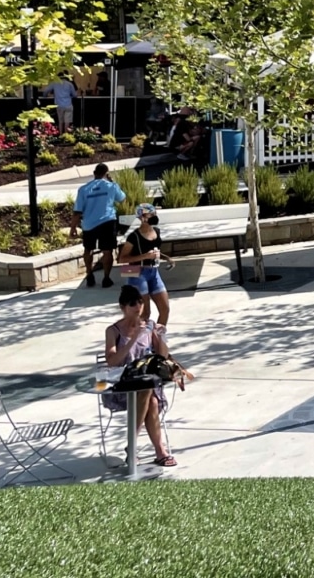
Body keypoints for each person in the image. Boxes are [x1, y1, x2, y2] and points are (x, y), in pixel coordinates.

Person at [103, 285, 183, 467]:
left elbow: (162, 356)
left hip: (147, 382)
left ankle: (138, 447)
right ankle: (157, 450)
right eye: (133, 304)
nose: (138, 307)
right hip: (123, 385)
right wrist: (133, 338)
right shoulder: (113, 331)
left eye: (140, 302)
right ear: (123, 307)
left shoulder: (149, 326)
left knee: (150, 397)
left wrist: (162, 337)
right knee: (148, 393)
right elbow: (112, 361)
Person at [71, 163, 126, 288]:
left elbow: (77, 211)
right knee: (107, 251)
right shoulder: (112, 186)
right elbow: (122, 198)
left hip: (89, 224)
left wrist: (73, 227)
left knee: (88, 249)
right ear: (106, 174)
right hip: (107, 221)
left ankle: (89, 274)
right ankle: (106, 278)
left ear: (94, 173)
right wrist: (112, 180)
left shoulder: (84, 189)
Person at [117, 204, 172, 328]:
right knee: (144, 313)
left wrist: (166, 257)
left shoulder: (156, 231)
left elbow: (154, 250)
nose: (154, 216)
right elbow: (122, 259)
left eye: (154, 214)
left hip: (153, 271)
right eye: (150, 214)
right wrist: (145, 256)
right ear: (142, 217)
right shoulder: (134, 237)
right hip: (137, 273)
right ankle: (137, 337)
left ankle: (157, 336)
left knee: (165, 309)